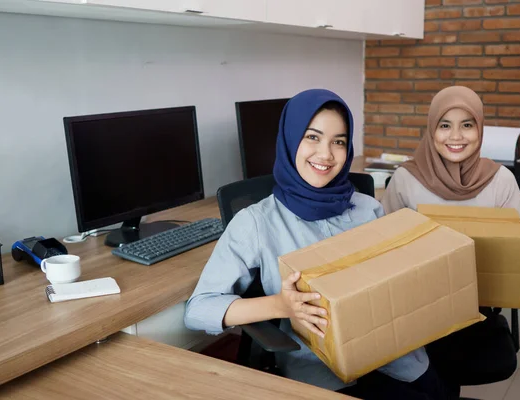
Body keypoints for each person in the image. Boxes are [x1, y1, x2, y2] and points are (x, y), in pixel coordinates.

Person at [185, 89, 452, 399]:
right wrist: (279, 306)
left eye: (338, 141)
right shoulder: (255, 222)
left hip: (397, 358)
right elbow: (198, 309)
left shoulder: (369, 209)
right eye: (312, 137)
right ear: (289, 140)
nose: (326, 154)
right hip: (322, 373)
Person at [381, 85, 520, 393]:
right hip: (416, 313)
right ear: (431, 129)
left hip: (475, 315)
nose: (456, 136)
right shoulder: (405, 180)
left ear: (480, 129)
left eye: (467, 125)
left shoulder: (500, 180)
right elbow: (384, 252)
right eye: (445, 125)